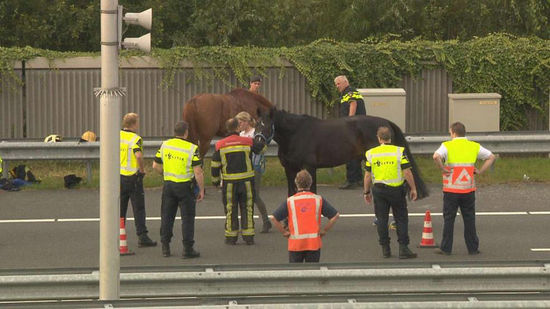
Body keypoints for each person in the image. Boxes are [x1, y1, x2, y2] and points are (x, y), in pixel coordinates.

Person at [432, 121, 496, 256]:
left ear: (453, 133)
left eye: (450, 133)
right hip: (468, 189)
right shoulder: (473, 146)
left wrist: (443, 168)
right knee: (469, 219)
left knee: (449, 219)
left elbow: (436, 156)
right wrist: (480, 171)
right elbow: (491, 157)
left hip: (451, 190)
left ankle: (446, 248)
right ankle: (473, 248)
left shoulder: (447, 145)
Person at [363, 126, 418, 259]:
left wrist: (366, 192)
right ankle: (403, 248)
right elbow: (406, 171)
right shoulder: (399, 151)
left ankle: (385, 249)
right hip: (396, 190)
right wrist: (413, 188)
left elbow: (367, 175)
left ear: (379, 138)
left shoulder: (370, 153)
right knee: (401, 219)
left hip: (379, 190)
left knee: (382, 220)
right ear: (390, 138)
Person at [152, 121, 204, 258]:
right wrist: (201, 189)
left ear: (175, 132)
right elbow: (198, 172)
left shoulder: (165, 145)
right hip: (185, 187)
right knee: (187, 218)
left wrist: (166, 174)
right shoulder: (192, 148)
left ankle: (165, 247)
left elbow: (155, 166)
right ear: (186, 132)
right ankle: (187, 249)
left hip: (169, 186)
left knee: (167, 216)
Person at [211, 117, 266, 245]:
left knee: (231, 209)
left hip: (229, 184)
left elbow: (214, 165)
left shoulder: (220, 145)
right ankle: (248, 236)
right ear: (238, 128)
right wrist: (259, 135)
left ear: (227, 129)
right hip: (246, 182)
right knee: (247, 208)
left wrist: (215, 181)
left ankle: (231, 237)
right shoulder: (248, 142)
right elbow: (262, 149)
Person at [271, 169, 340, 263]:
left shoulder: (290, 201)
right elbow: (335, 216)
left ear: (296, 184)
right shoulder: (318, 199)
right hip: (313, 244)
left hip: (296, 244)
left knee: (296, 274)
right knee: (312, 273)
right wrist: (324, 230)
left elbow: (274, 218)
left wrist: (284, 232)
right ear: (310, 183)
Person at [119, 113, 157, 248]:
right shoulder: (135, 138)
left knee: (120, 208)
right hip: (133, 177)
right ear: (133, 124)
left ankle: (117, 234)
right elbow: (138, 156)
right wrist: (142, 171)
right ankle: (142, 236)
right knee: (138, 208)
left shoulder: (117, 135)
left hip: (119, 177)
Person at [235, 111, 272, 233]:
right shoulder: (241, 134)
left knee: (255, 195)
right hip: (243, 167)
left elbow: (261, 149)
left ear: (246, 122)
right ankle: (248, 223)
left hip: (255, 166)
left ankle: (266, 221)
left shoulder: (254, 134)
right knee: (245, 196)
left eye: (240, 122)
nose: (239, 125)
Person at [334, 75, 366, 189]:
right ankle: (358, 179)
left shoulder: (349, 92)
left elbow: (353, 104)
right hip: (359, 127)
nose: (337, 86)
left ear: (345, 82)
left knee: (349, 153)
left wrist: (349, 121)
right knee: (356, 154)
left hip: (353, 127)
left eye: (338, 83)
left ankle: (352, 180)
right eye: (336, 84)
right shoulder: (351, 92)